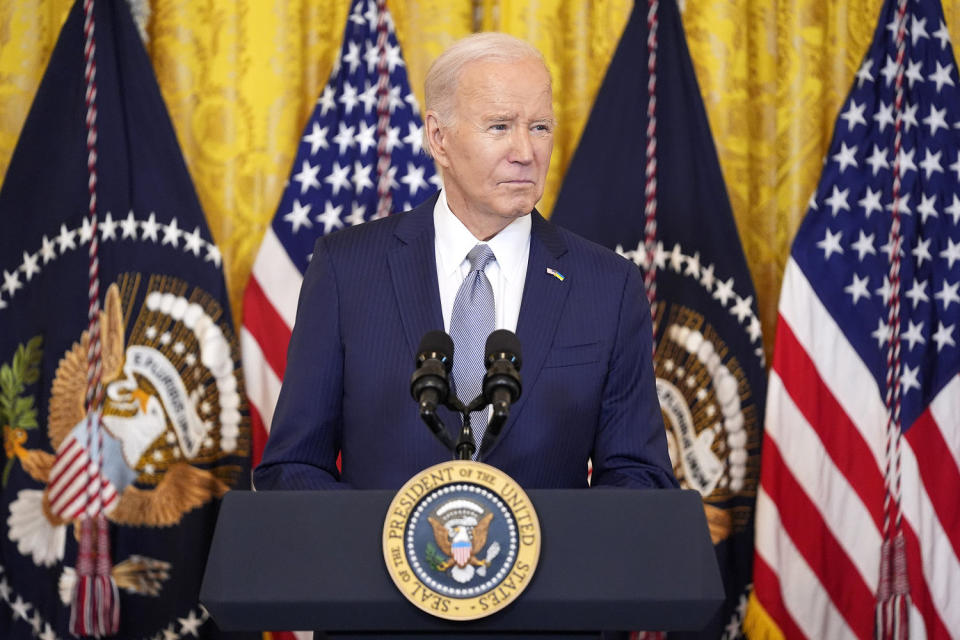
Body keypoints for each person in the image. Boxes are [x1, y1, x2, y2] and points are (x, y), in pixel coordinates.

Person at [253, 33, 676, 491]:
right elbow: (293, 467)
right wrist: (380, 553)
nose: (526, 152)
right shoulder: (347, 269)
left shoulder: (608, 287)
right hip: (376, 561)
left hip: (554, 563)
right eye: (499, 126)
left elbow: (639, 478)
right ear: (439, 138)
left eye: (540, 127)